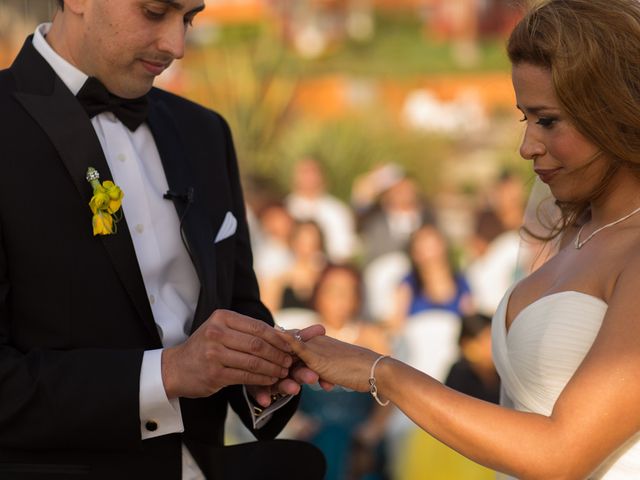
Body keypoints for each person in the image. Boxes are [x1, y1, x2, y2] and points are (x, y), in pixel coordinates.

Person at [280, 1, 640, 478]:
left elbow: (561, 454)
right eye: (523, 119)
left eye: (548, 120)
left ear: (614, 110)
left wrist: (381, 372)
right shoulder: (571, 231)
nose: (527, 146)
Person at [0, 1, 324, 478]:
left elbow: (238, 303)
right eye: (154, 12)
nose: (178, 46)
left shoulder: (205, 132)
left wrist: (264, 370)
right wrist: (168, 374)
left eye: (189, 18)